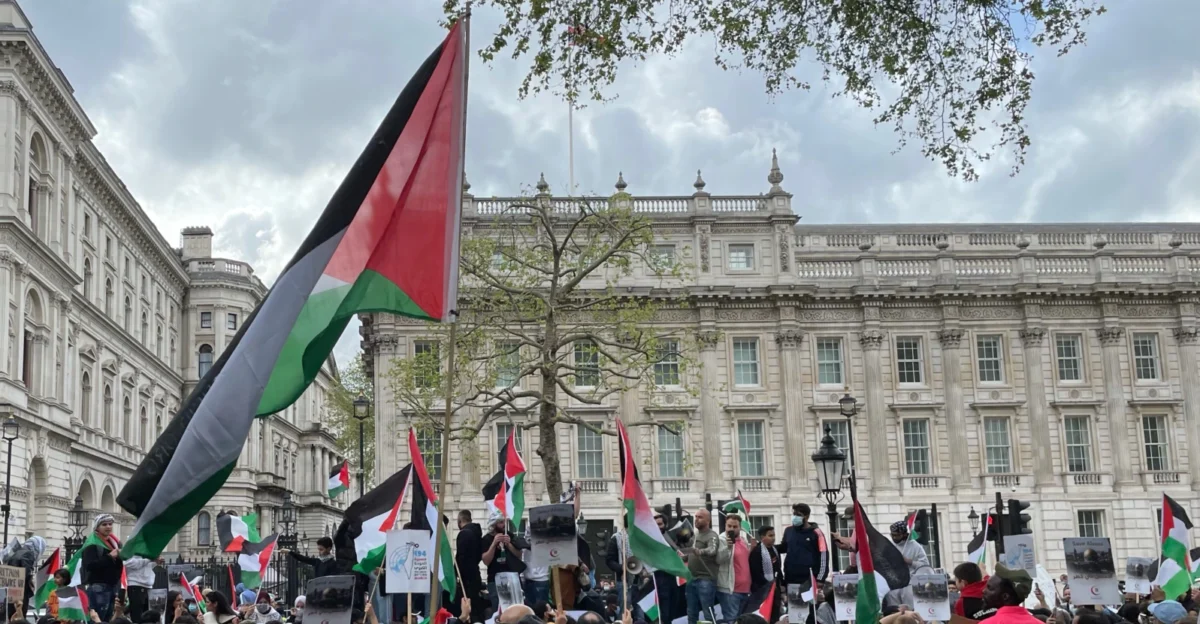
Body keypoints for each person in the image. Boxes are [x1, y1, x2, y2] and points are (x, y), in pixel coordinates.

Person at [81, 514, 124, 622]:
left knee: (108, 619)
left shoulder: (113, 543)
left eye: (110, 524)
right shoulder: (92, 544)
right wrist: (110, 556)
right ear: (97, 527)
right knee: (98, 618)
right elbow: (90, 565)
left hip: (112, 587)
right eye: (104, 524)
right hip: (99, 588)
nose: (108, 527)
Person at [481, 515, 529, 613]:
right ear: (494, 525)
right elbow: (486, 561)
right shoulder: (486, 539)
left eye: (505, 522)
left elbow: (519, 556)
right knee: (498, 611)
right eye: (501, 522)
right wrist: (494, 544)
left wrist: (509, 545)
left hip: (512, 578)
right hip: (495, 580)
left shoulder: (510, 535)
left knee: (516, 609)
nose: (504, 525)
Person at [685, 508, 720, 624]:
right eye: (696, 517)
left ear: (708, 520)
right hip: (691, 578)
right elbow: (691, 553)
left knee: (708, 613)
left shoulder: (712, 535)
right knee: (691, 612)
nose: (696, 519)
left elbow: (712, 549)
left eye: (700, 517)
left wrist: (701, 551)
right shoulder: (695, 536)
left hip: (706, 579)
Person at [717, 513, 750, 622]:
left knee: (743, 621)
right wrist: (728, 547)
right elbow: (718, 559)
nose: (731, 529)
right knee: (731, 619)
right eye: (729, 526)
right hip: (730, 590)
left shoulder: (743, 540)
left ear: (740, 527)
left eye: (735, 527)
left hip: (745, 589)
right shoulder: (721, 540)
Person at [748, 526, 782, 623]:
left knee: (775, 616)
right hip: (762, 591)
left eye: (774, 535)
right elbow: (756, 573)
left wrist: (780, 585)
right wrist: (768, 585)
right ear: (762, 537)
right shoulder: (757, 552)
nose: (773, 538)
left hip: (775, 590)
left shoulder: (775, 550)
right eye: (770, 535)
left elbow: (778, 569)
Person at [457, 510, 485, 620]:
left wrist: (456, 573)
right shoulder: (477, 533)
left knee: (468, 608)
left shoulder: (464, 534)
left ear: (459, 521)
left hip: (467, 577)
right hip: (475, 573)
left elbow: (461, 557)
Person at [124, 556, 157, 622]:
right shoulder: (131, 549)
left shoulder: (147, 549)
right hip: (136, 584)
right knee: (137, 616)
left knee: (148, 615)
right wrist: (149, 559)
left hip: (148, 585)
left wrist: (155, 562)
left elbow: (145, 567)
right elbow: (130, 563)